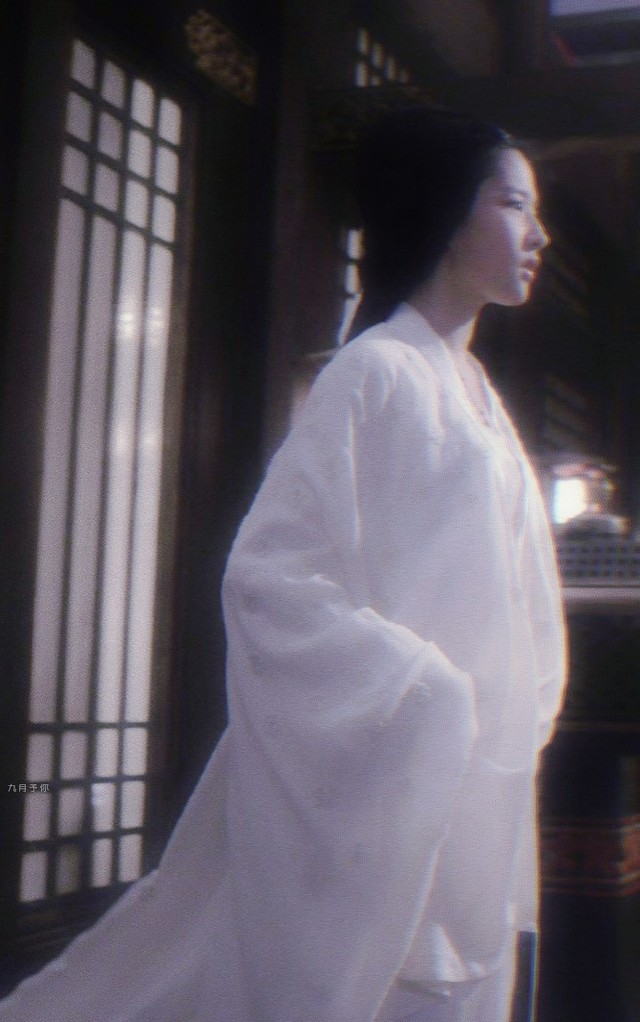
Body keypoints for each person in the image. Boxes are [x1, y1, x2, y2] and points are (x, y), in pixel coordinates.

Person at [0, 107, 566, 1022]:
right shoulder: (376, 373)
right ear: (445, 210)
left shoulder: (475, 393)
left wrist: (521, 702)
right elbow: (269, 578)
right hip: (396, 770)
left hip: (474, 776)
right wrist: (424, 691)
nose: (538, 234)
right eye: (513, 204)